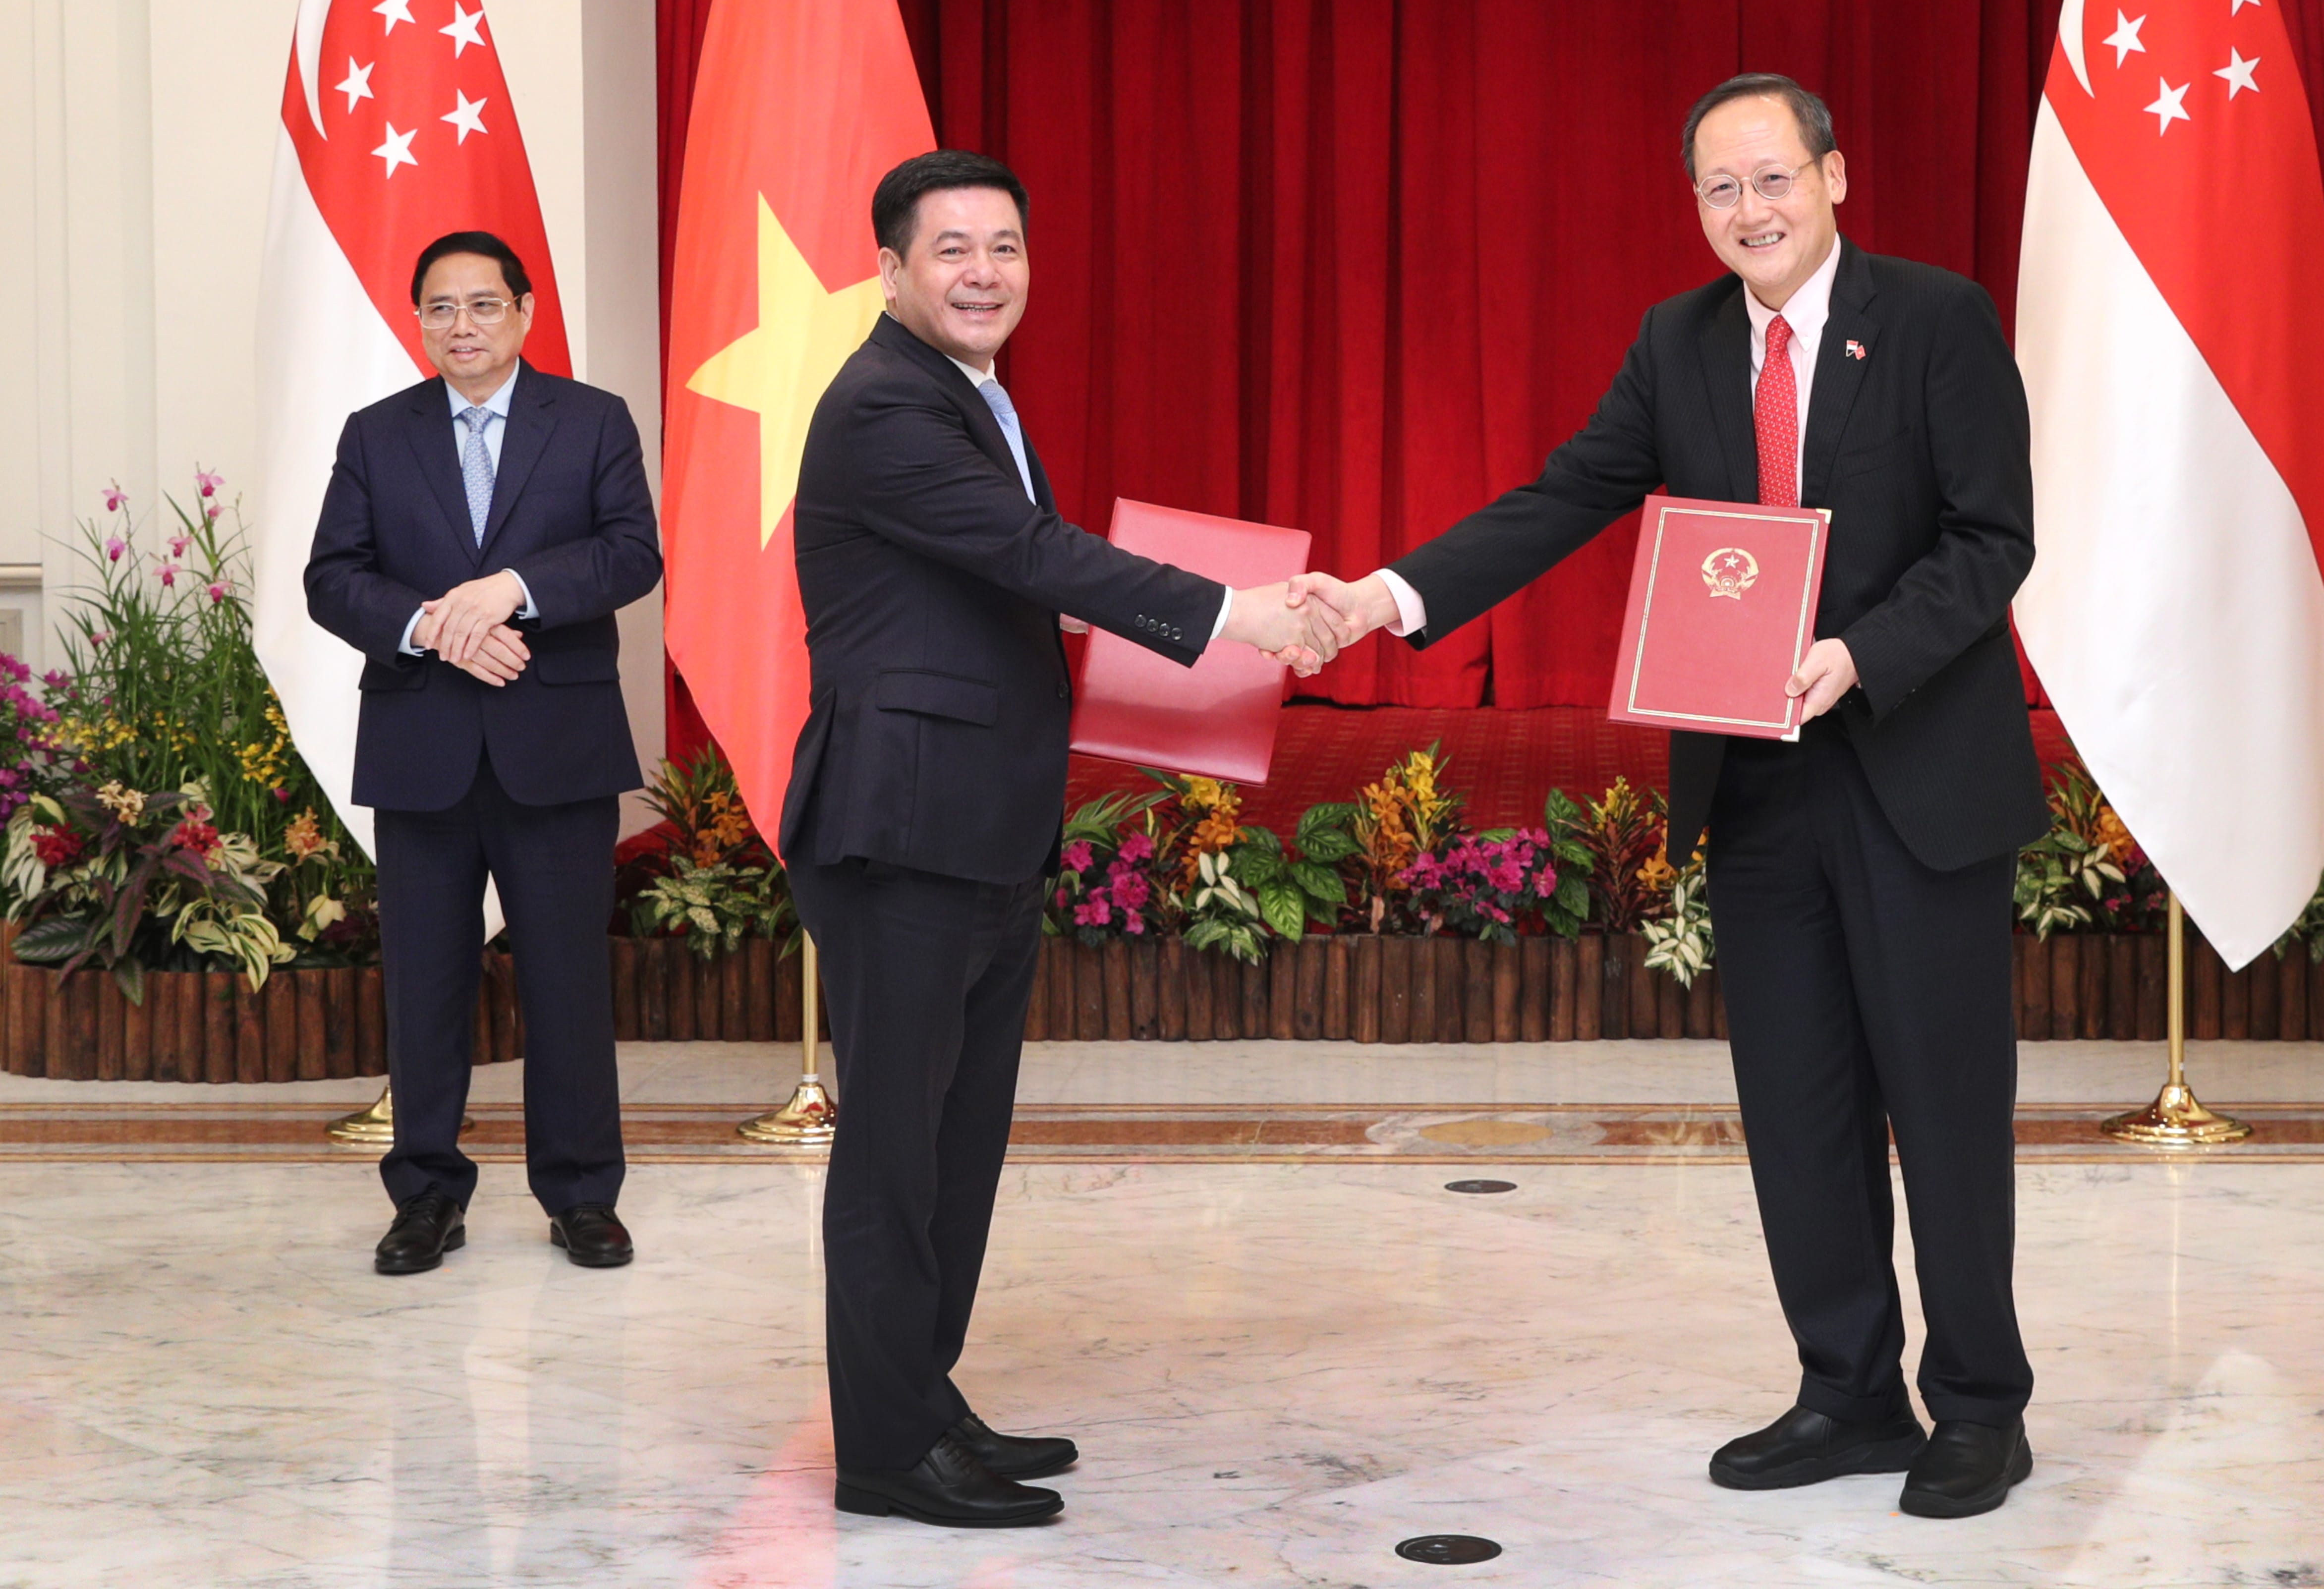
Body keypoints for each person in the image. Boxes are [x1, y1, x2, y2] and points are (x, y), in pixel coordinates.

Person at [1295, 74, 2047, 1519]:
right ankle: (1846, 1388)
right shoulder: (1679, 341)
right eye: (1721, 188)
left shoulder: (1939, 318)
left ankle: (1980, 1406)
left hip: (1911, 773)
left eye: (1774, 178)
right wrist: (1389, 594)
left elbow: (1992, 535)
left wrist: (1857, 655)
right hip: (1754, 784)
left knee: (1945, 1104)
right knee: (1799, 1103)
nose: (1750, 209)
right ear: (1696, 205)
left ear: (1835, 175)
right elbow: (1566, 492)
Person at [781, 148, 1342, 1530]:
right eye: (953, 248)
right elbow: (1040, 557)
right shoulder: (882, 407)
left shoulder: (967, 389)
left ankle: (924, 1394)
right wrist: (1237, 612)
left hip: (978, 822)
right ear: (894, 268)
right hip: (905, 828)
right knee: (898, 1152)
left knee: (958, 1142)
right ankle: (883, 1448)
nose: (984, 272)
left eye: (1006, 247)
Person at [304, 229, 661, 1278]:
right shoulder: (377, 434)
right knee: (424, 983)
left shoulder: (593, 422)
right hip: (423, 746)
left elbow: (632, 551)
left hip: (557, 742)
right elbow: (333, 577)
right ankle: (425, 1196)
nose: (462, 326)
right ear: (419, 321)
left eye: (483, 305)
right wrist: (433, 623)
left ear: (525, 312)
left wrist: (513, 591)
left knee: (566, 980)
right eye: (441, 309)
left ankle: (583, 1195)